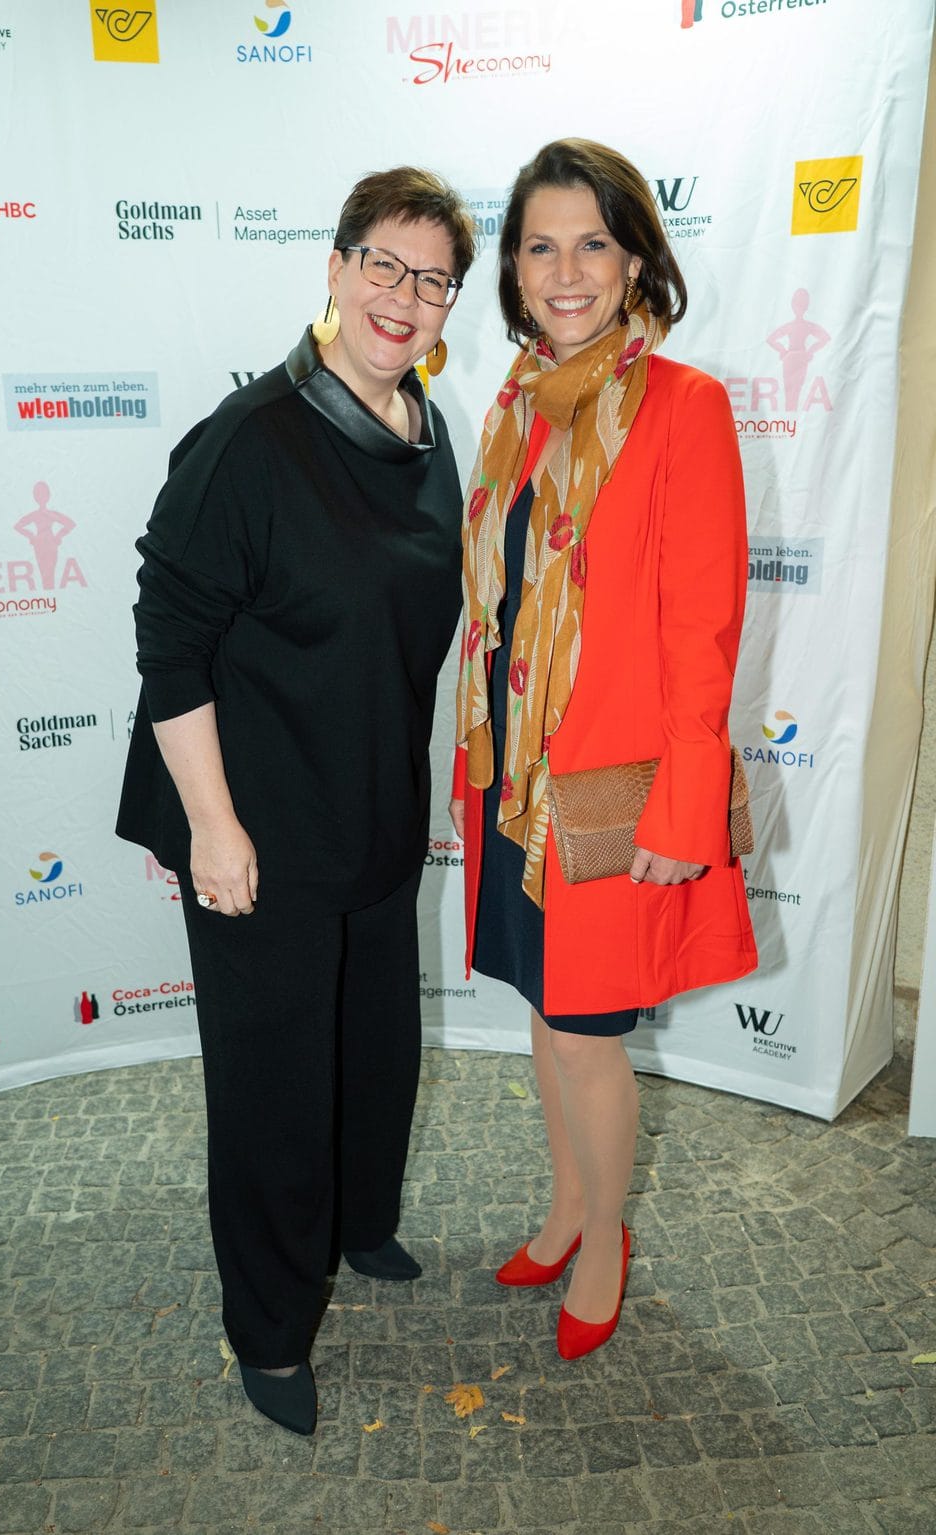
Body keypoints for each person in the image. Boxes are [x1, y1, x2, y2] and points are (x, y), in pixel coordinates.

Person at [117, 168, 477, 1435]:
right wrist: (212, 826)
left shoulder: (425, 428)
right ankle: (270, 1327)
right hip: (256, 820)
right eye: (382, 263)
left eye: (432, 280)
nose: (403, 296)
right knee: (274, 1084)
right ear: (333, 267)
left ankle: (357, 1221)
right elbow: (169, 646)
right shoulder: (249, 441)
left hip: (369, 803)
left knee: (374, 1045)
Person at [451, 139, 757, 1361]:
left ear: (635, 261)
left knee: (587, 1032)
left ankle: (605, 1239)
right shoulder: (515, 407)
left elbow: (703, 628)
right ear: (515, 270)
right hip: (516, 783)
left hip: (607, 795)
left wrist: (683, 807)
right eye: (540, 246)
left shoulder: (685, 406)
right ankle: (569, 1204)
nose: (565, 271)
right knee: (546, 1012)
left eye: (593, 244)